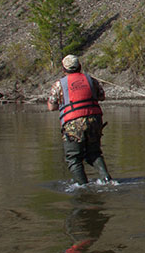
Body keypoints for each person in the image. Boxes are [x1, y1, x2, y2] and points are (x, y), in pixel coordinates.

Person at [47, 54, 113, 185]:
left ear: (64, 70)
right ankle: (107, 181)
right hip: (94, 120)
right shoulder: (91, 80)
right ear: (80, 67)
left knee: (74, 158)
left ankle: (83, 188)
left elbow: (51, 107)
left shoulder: (59, 84)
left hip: (73, 124)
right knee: (94, 153)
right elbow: (102, 97)